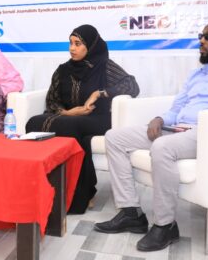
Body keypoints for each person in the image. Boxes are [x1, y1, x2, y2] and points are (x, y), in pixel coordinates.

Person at [94, 18, 208, 252]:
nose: (201, 41)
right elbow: (177, 107)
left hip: (207, 133)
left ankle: (165, 226)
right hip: (178, 128)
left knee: (162, 147)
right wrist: (160, 119)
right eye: (201, 36)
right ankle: (130, 212)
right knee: (115, 137)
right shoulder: (197, 75)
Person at [25, 24, 140, 214]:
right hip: (69, 119)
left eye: (77, 44)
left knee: (69, 126)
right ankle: (45, 190)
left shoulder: (104, 66)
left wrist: (100, 93)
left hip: (99, 119)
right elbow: (52, 101)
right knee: (33, 122)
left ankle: (77, 195)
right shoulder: (63, 70)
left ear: (91, 46)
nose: (72, 48)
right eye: (70, 43)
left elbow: (132, 86)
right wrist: (69, 113)